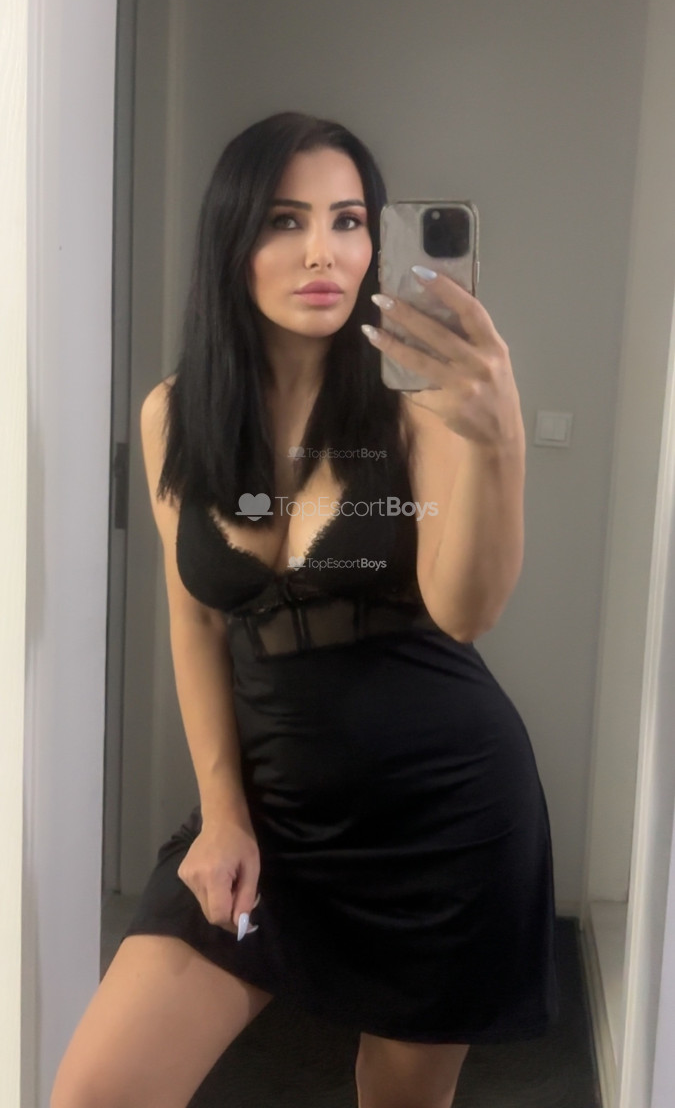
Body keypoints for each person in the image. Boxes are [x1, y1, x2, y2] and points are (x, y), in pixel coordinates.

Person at [51, 110, 559, 1108]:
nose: (324, 251)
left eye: (348, 220)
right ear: (233, 237)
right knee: (97, 1093)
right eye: (287, 220)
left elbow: (465, 612)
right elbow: (199, 620)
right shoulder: (174, 415)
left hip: (444, 817)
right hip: (275, 811)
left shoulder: (421, 412)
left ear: (376, 242)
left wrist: (499, 442)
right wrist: (222, 816)